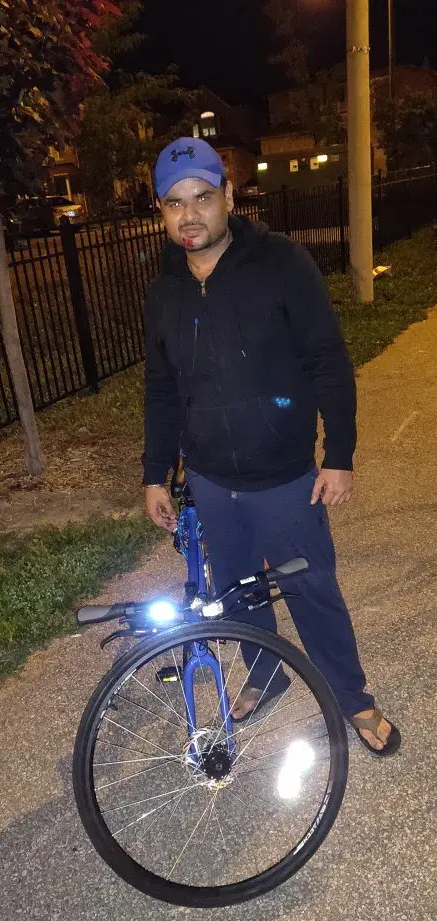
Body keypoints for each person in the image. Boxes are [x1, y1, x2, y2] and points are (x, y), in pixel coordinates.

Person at [142, 137, 400, 757]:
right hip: (209, 479)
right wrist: (155, 473)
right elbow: (161, 387)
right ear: (161, 211)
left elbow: (327, 360)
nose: (190, 215)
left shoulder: (281, 263)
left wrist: (339, 454)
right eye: (175, 203)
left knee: (313, 591)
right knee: (236, 595)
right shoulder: (165, 290)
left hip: (285, 477)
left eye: (203, 197)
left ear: (229, 196)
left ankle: (352, 696)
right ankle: (266, 675)